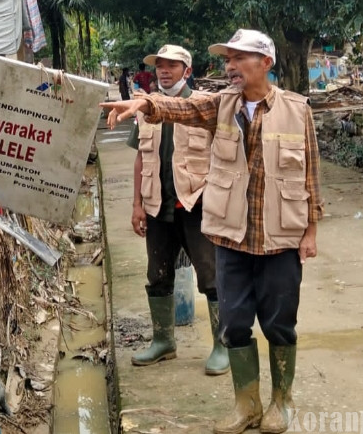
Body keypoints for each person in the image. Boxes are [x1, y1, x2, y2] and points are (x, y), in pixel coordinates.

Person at [101, 30, 321, 434]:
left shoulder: (296, 109)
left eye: (239, 59)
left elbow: (311, 175)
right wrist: (144, 102)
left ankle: (281, 402)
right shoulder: (219, 106)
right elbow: (180, 109)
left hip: (279, 239)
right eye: (227, 60)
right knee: (234, 323)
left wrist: (311, 229)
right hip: (231, 237)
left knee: (279, 325)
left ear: (266, 63)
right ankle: (246, 404)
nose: (231, 67)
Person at [126, 44, 228, 376]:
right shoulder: (145, 108)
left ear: (187, 70)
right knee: (157, 274)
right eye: (160, 66)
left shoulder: (203, 106)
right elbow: (141, 156)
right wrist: (137, 204)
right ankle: (163, 342)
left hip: (196, 204)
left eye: (172, 65)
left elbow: (225, 155)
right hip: (158, 204)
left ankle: (222, 345)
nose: (164, 70)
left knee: (212, 276)